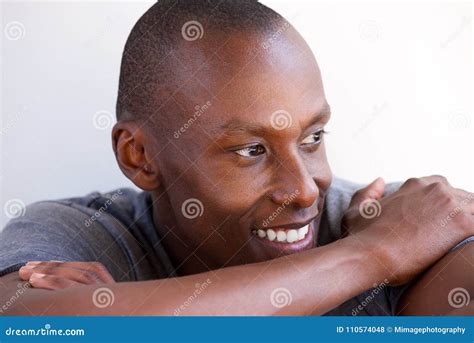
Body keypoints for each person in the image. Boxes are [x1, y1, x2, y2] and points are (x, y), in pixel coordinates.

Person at [1, 0, 473, 316]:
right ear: (140, 156)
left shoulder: (402, 221)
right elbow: (24, 325)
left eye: (313, 137)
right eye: (251, 150)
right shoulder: (78, 232)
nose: (305, 189)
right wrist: (371, 257)